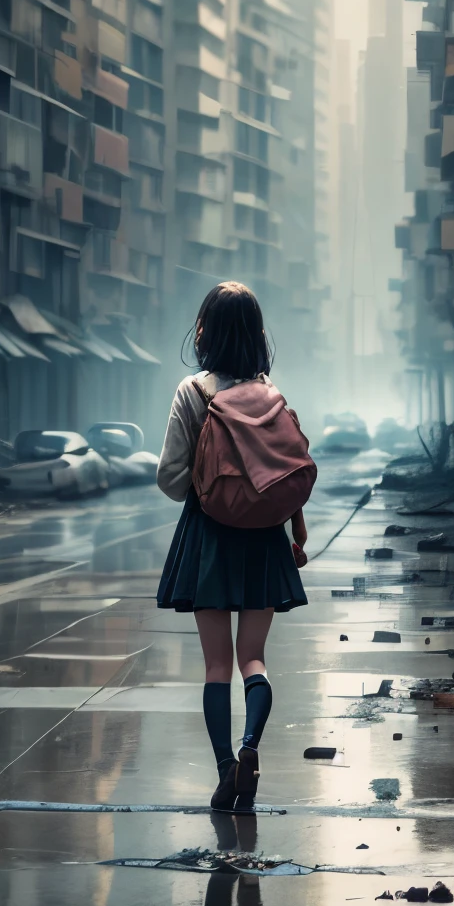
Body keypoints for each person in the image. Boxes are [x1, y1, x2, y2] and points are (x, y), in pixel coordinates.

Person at [155, 280, 308, 812]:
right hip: (265, 535)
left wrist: (207, 479)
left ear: (205, 331)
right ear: (257, 336)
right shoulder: (271, 393)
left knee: (216, 665)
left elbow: (170, 480)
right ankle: (250, 747)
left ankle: (225, 769)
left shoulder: (193, 392)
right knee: (254, 659)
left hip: (209, 539)